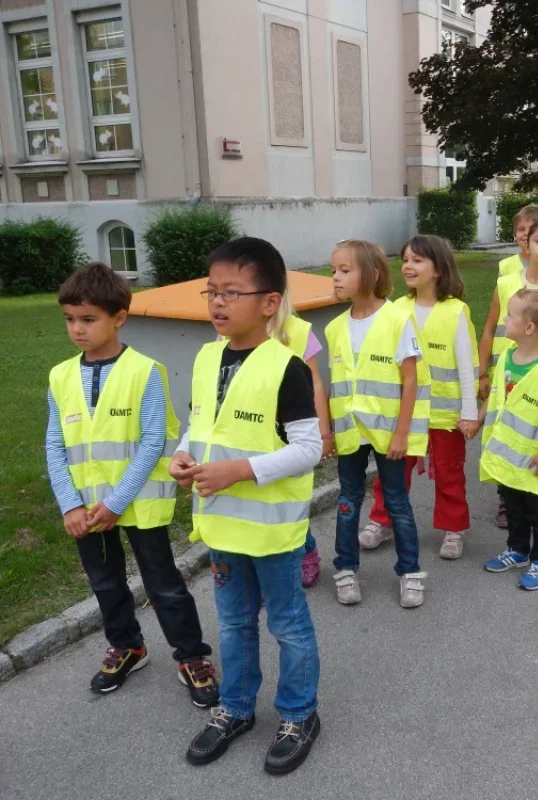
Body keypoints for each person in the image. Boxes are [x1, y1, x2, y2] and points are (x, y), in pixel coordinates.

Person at [170, 238, 322, 774]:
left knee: (288, 627)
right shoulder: (208, 355)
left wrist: (239, 470)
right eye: (211, 291)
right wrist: (182, 455)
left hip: (273, 531)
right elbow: (202, 424)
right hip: (223, 527)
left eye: (231, 292)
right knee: (233, 626)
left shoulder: (287, 367)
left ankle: (299, 714)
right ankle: (234, 709)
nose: (216, 302)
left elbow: (309, 448)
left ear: (269, 302)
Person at [46, 262, 218, 705]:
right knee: (105, 583)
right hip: (86, 508)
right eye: (69, 319)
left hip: (137, 505)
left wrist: (117, 502)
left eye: (88, 319)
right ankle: (128, 647)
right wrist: (69, 504)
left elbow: (152, 443)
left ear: (119, 317)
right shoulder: (60, 376)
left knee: (163, 583)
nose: (77, 329)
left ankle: (191, 655)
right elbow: (54, 445)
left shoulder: (147, 371)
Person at [358, 235, 478, 560]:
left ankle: (453, 529)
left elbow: (467, 367)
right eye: (406, 259)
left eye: (417, 260)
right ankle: (382, 521)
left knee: (450, 473)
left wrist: (470, 411)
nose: (408, 266)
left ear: (438, 269)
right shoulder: (397, 309)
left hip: (445, 415)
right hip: (404, 415)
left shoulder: (456, 312)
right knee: (393, 471)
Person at [326, 240, 431, 608]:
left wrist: (402, 431)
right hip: (351, 432)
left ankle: (409, 571)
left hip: (389, 433)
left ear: (371, 274)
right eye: (333, 270)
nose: (335, 278)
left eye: (344, 270)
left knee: (398, 503)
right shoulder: (335, 327)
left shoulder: (397, 320)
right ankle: (345, 569)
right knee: (348, 501)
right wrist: (333, 431)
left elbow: (411, 380)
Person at [479, 217, 538, 527]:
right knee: (502, 431)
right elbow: (490, 327)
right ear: (526, 244)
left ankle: (528, 494)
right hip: (505, 371)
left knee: (529, 438)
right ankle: (505, 498)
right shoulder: (507, 282)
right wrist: (483, 372)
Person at [477, 290, 538, 590]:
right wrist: (478, 417)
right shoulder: (507, 356)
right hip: (509, 457)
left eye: (510, 315)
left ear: (529, 327)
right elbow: (497, 394)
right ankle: (517, 551)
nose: (504, 319)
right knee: (513, 506)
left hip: (535, 460)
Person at [269, 295, 334, 588]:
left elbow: (316, 381)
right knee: (258, 503)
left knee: (290, 498)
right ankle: (262, 569)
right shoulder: (229, 329)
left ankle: (305, 549)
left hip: (292, 427)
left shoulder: (299, 330)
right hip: (251, 428)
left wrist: (324, 432)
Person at [498, 204, 538, 277]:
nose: (526, 233)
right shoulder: (506, 265)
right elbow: (501, 288)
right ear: (515, 234)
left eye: (532, 228)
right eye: (521, 229)